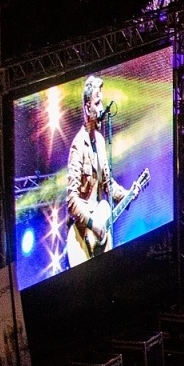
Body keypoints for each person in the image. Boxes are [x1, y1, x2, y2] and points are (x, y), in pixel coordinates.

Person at [65, 75, 135, 267]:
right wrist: (92, 224)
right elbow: (71, 199)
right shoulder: (78, 146)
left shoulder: (101, 142)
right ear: (88, 108)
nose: (101, 107)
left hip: (100, 232)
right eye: (97, 103)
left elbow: (107, 184)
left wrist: (127, 194)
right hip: (83, 234)